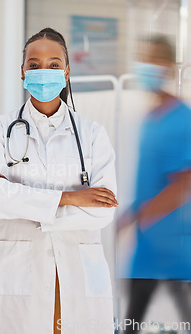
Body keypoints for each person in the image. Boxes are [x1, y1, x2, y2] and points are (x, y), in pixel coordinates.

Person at [0, 27, 118, 334]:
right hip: (17, 275)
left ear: (66, 72)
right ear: (23, 72)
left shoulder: (93, 134)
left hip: (78, 270)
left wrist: (26, 204)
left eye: (54, 65)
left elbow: (104, 210)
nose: (44, 72)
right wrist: (72, 198)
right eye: (34, 65)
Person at [118, 35, 191, 334]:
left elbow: (183, 183)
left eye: (155, 59)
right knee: (133, 317)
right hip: (147, 244)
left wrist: (142, 215)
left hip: (176, 242)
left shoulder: (182, 119)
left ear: (170, 67)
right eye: (144, 59)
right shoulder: (148, 118)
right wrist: (128, 216)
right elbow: (148, 180)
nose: (148, 66)